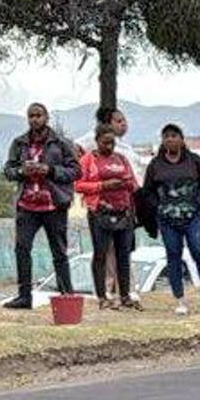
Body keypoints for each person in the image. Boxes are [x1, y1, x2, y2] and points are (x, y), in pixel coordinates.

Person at [2, 103, 80, 309]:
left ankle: (67, 296)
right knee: (22, 249)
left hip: (53, 205)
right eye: (31, 116)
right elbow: (8, 170)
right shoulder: (19, 143)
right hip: (27, 206)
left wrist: (50, 170)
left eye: (38, 115)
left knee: (59, 252)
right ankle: (24, 296)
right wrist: (21, 172)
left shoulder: (61, 143)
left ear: (46, 117)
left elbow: (75, 171)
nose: (34, 119)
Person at [141, 124, 200, 316]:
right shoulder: (155, 165)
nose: (170, 139)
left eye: (174, 136)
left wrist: (198, 203)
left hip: (193, 217)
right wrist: (158, 207)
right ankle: (180, 301)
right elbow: (147, 191)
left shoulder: (195, 161)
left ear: (182, 139)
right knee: (173, 256)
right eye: (166, 136)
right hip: (167, 219)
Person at [75, 106, 144, 301]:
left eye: (112, 143)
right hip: (100, 211)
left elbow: (133, 183)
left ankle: (125, 294)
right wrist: (103, 185)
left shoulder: (122, 158)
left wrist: (125, 184)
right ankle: (102, 295)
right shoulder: (88, 160)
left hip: (123, 211)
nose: (109, 147)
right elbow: (79, 185)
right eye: (105, 143)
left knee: (123, 254)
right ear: (96, 142)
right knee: (101, 253)